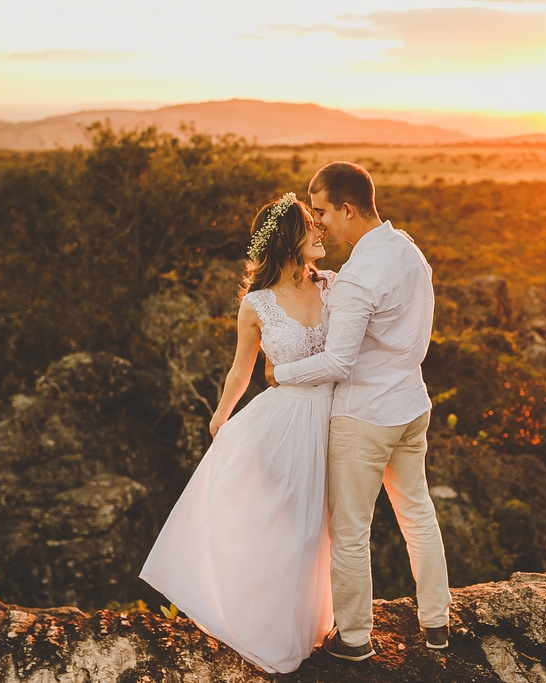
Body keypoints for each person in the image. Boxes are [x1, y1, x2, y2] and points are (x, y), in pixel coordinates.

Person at [140, 193, 335, 674]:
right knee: (287, 529)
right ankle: (269, 629)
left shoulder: (334, 285)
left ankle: (315, 624)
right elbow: (240, 369)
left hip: (336, 418)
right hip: (284, 424)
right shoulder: (257, 304)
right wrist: (220, 416)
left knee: (323, 529)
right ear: (289, 238)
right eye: (310, 224)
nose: (320, 229)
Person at [267, 161, 451, 661]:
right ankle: (437, 623)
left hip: (364, 416)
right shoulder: (408, 251)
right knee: (418, 513)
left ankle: (353, 638)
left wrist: (281, 373)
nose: (318, 222)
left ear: (347, 208)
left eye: (322, 211)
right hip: (411, 405)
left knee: (350, 530)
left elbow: (337, 362)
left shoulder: (357, 279)